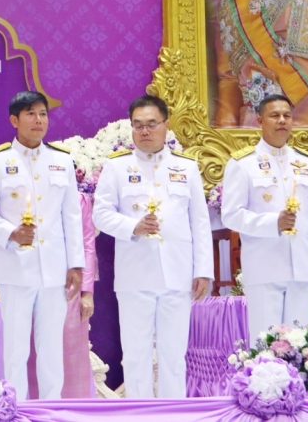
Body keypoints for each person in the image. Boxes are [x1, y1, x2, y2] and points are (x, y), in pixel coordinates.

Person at [93, 95, 213, 398]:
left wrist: (203, 270)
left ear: (165, 125)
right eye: (138, 125)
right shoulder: (117, 167)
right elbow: (100, 214)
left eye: (151, 124)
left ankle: (174, 413)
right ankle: (139, 412)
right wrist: (132, 226)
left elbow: (200, 223)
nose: (144, 131)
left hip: (178, 274)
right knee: (136, 354)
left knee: (174, 355)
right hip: (135, 275)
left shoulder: (186, 167)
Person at [0, 91, 85, 400]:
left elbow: (71, 216)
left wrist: (76, 264)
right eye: (31, 114)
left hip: (54, 268)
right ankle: (16, 407)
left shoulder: (61, 161)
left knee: (51, 348)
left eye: (43, 114)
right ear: (15, 120)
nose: (38, 120)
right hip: (15, 268)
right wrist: (10, 233)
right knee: (16, 348)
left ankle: (51, 409)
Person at [221, 94, 308, 343]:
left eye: (287, 115)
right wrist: (272, 223)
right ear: (260, 120)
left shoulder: (307, 163)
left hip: (302, 269)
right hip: (265, 268)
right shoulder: (243, 163)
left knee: (300, 345)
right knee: (266, 345)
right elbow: (231, 215)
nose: (282, 120)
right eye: (274, 115)